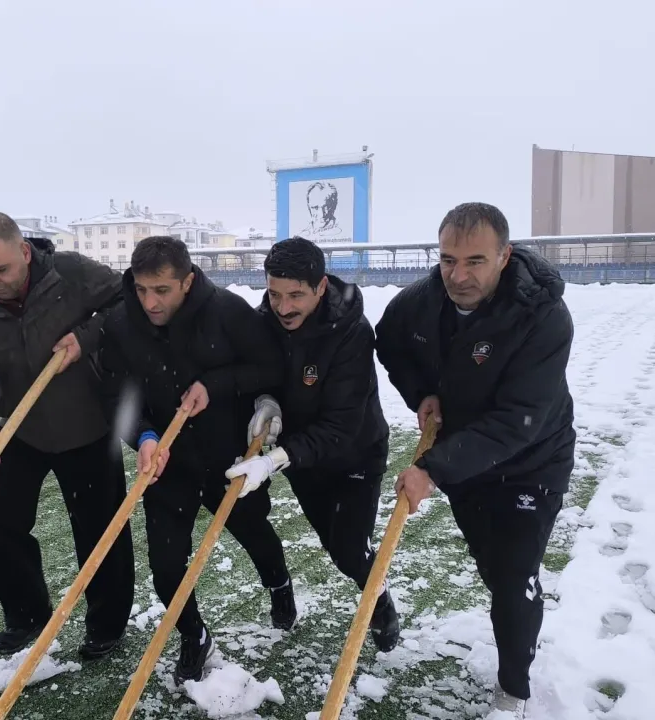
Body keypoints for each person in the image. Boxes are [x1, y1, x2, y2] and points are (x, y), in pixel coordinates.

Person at [373, 202, 576, 717]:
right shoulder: (421, 302)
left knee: (511, 575)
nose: (458, 276)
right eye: (447, 260)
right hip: (464, 456)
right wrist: (421, 392)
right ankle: (512, 594)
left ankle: (513, 690)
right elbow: (389, 343)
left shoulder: (542, 315)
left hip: (531, 460)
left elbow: (520, 418)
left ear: (505, 256)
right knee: (491, 561)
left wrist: (432, 470)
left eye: (475, 262)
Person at [97, 236, 294, 684]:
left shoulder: (227, 311)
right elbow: (115, 396)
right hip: (167, 463)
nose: (150, 302)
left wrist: (213, 384)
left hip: (228, 456)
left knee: (255, 534)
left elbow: (269, 367)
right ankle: (193, 633)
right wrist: (143, 435)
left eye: (161, 290)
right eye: (142, 289)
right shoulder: (121, 323)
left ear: (187, 282)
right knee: (166, 567)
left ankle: (279, 584)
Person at [0, 211, 135, 661]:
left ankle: (106, 624)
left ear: (25, 252)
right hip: (19, 427)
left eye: (1, 269)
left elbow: (128, 301)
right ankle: (27, 614)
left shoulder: (71, 273)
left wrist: (86, 337)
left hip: (87, 422)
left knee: (100, 528)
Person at [224, 236, 401, 653]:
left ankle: (380, 602)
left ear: (321, 287)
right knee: (333, 542)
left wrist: (273, 461)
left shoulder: (352, 332)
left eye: (296, 295)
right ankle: (368, 580)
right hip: (304, 461)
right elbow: (257, 373)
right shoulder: (263, 322)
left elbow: (342, 424)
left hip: (355, 453)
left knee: (349, 550)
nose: (283, 307)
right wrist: (264, 400)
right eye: (274, 294)